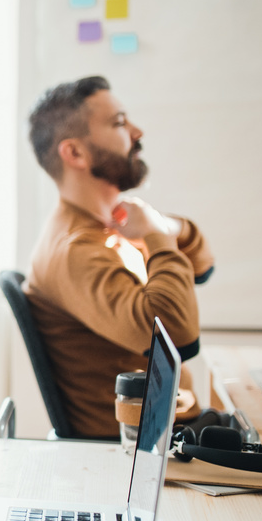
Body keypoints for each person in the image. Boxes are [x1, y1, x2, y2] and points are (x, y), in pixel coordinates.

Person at [24, 76, 214, 439]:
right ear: (75, 153)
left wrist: (167, 227)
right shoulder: (76, 250)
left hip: (168, 432)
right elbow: (176, 335)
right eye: (120, 123)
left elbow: (202, 266)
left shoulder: (108, 228)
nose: (137, 132)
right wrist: (156, 235)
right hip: (145, 453)